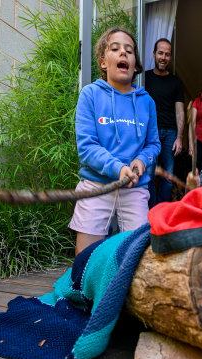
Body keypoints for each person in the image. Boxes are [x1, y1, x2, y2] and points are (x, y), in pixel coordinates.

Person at [69, 27, 161, 255]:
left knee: (136, 255)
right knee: (86, 261)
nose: (123, 54)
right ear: (103, 62)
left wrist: (141, 160)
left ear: (135, 64)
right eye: (115, 48)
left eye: (129, 51)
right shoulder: (90, 94)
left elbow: (153, 144)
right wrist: (118, 168)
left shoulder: (146, 101)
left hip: (135, 187)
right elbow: (87, 147)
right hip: (95, 185)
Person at [144, 38, 185, 207]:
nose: (163, 57)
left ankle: (163, 212)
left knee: (168, 177)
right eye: (160, 53)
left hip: (170, 133)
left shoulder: (176, 82)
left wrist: (180, 138)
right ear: (154, 54)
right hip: (149, 133)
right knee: (150, 176)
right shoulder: (144, 78)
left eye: (167, 54)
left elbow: (180, 111)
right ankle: (151, 215)